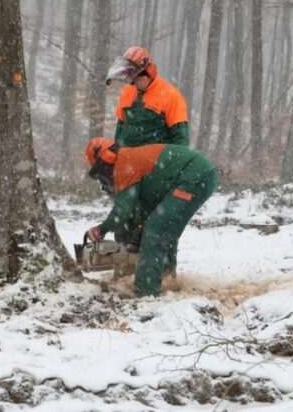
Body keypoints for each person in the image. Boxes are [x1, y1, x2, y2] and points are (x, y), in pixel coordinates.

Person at [84, 137, 218, 297]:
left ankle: (146, 293)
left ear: (102, 166)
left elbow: (122, 211)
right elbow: (137, 207)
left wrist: (101, 229)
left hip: (193, 176)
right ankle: (166, 280)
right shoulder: (127, 158)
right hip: (197, 173)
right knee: (164, 229)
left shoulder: (123, 166)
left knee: (157, 229)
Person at [106, 46, 189, 148]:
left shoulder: (171, 96)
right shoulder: (128, 91)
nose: (132, 82)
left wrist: (174, 161)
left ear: (147, 74)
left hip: (156, 160)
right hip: (128, 157)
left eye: (135, 77)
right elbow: (120, 128)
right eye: (130, 77)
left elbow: (181, 139)